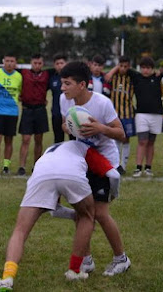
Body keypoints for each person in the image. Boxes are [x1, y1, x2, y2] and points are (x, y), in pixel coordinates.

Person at [0, 140, 124, 291]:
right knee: (88, 217)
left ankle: (7, 278)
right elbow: (114, 175)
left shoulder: (50, 151)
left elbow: (54, 209)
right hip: (71, 175)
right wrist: (113, 195)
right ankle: (74, 270)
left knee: (20, 230)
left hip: (41, 175)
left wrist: (73, 215)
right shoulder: (87, 149)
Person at [59, 61, 130, 276]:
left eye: (67, 83)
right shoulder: (65, 100)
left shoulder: (102, 103)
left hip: (104, 163)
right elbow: (65, 124)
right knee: (81, 210)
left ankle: (121, 259)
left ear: (82, 84)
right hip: (81, 160)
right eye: (62, 83)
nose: (63, 88)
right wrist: (71, 125)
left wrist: (100, 128)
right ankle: (86, 259)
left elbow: (121, 133)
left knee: (99, 212)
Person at [106, 57, 163, 177]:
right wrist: (112, 70)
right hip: (141, 114)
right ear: (140, 69)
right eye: (143, 68)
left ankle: (148, 167)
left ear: (152, 69)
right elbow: (122, 66)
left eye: (148, 68)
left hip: (156, 114)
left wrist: (160, 71)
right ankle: (138, 167)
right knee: (142, 141)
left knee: (151, 142)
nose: (146, 70)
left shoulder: (157, 77)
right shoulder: (136, 76)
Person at [0, 54, 22, 175]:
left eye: (12, 61)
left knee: (9, 140)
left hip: (12, 112)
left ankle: (6, 166)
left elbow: (20, 92)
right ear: (3, 62)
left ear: (15, 63)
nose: (9, 63)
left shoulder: (19, 76)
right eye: (7, 61)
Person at [17, 54, 50, 175]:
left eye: (39, 63)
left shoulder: (47, 74)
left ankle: (37, 165)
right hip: (27, 110)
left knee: (38, 139)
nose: (37, 65)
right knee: (25, 139)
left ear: (43, 64)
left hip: (40, 110)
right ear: (31, 63)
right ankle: (22, 166)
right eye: (35, 63)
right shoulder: (23, 72)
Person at [104, 56, 135, 174]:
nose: (123, 68)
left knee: (126, 139)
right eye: (120, 66)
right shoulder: (113, 77)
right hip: (114, 114)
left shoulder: (131, 77)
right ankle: (116, 164)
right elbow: (106, 77)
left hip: (127, 113)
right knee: (115, 138)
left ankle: (123, 165)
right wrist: (115, 68)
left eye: (125, 66)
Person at [48, 54, 67, 143]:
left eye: (62, 63)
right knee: (58, 139)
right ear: (54, 65)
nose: (60, 65)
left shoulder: (72, 78)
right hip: (56, 112)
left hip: (70, 113)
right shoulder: (52, 78)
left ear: (66, 64)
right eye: (57, 63)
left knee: (74, 138)